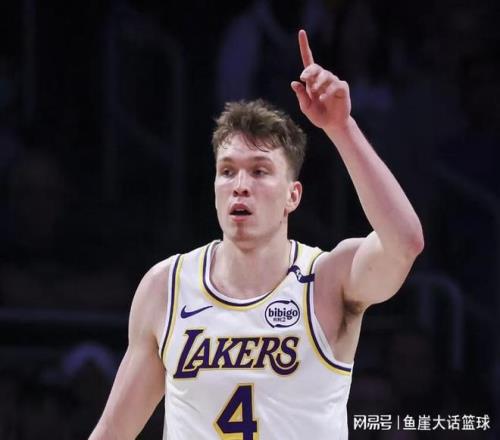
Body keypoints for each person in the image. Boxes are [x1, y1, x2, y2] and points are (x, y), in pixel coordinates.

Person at [89, 29, 424, 440]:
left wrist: (341, 127)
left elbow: (405, 242)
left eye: (260, 171)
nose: (240, 186)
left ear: (292, 196)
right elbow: (113, 431)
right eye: (227, 171)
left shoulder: (326, 280)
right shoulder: (166, 287)